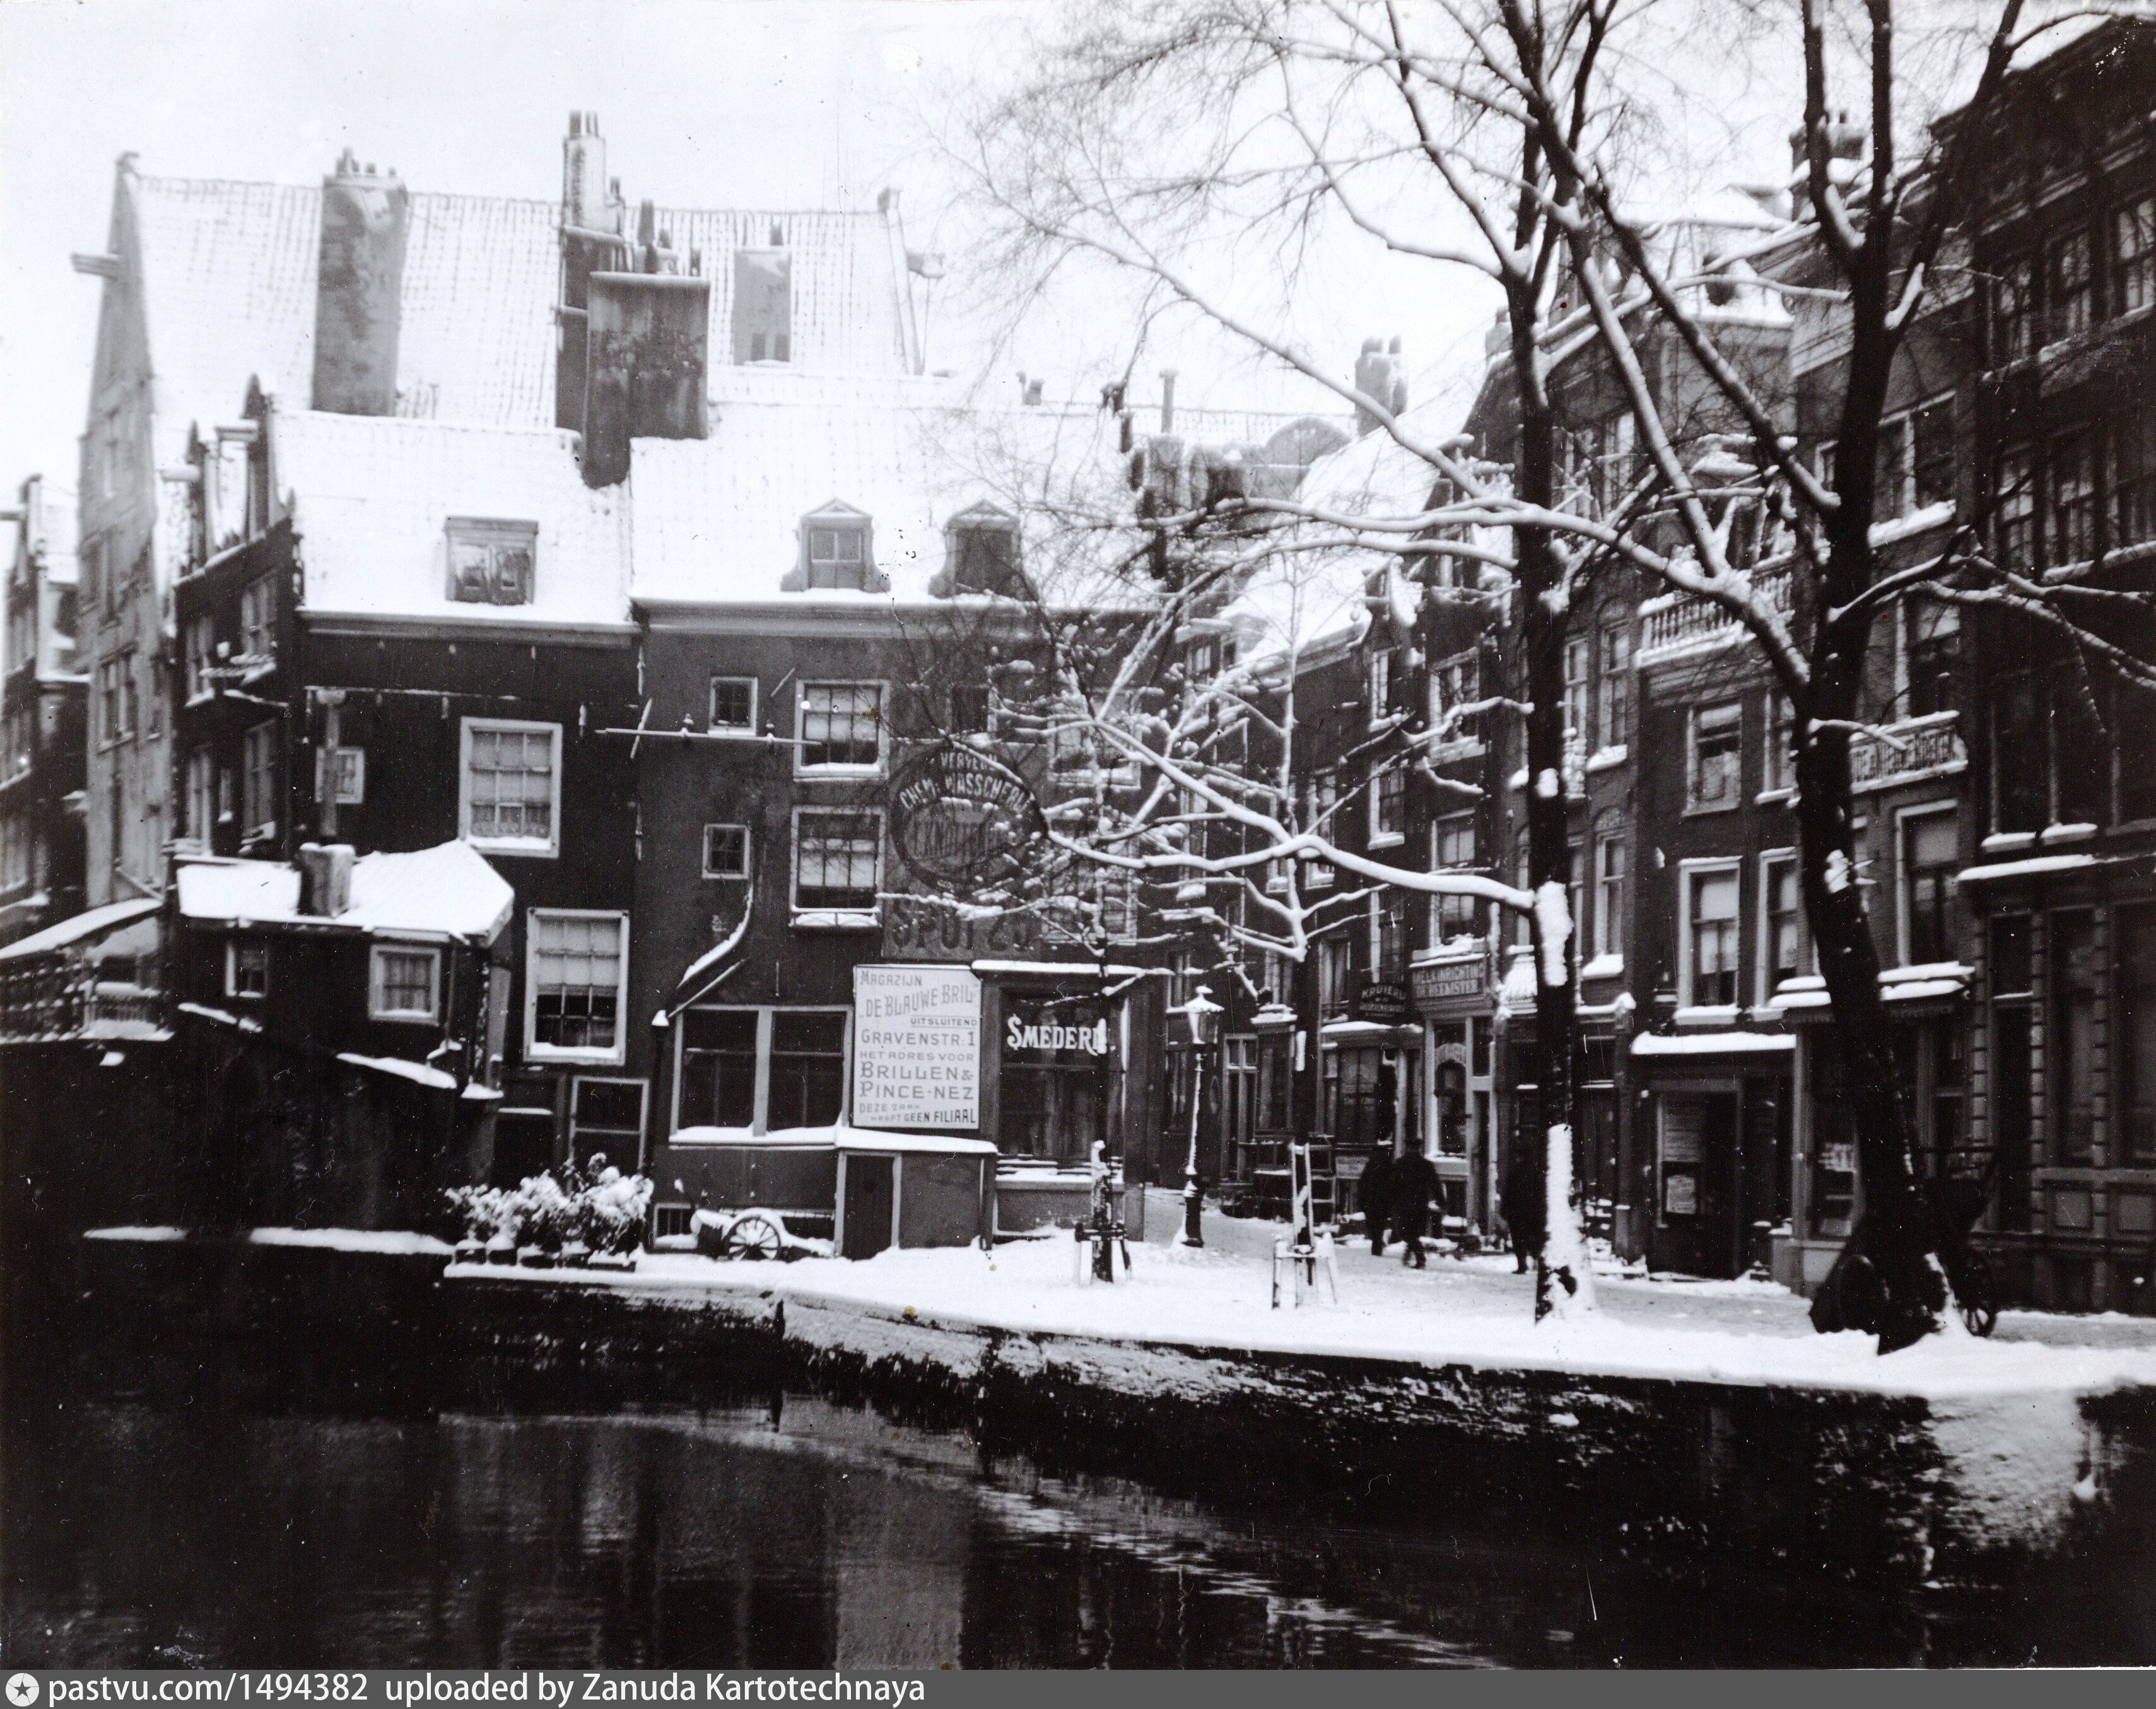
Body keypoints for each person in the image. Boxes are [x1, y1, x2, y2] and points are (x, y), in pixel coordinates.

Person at [1390, 1148, 1439, 1269]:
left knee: (1407, 1233)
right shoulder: (1426, 1164)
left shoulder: (1400, 1164)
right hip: (1420, 1205)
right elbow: (1435, 1184)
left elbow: (1392, 1185)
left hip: (1404, 1204)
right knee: (1414, 1232)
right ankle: (1410, 1253)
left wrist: (1390, 1201)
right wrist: (1441, 1200)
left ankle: (1420, 1258)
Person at [1501, 1149, 1546, 1275]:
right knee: (1535, 1237)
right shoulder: (1536, 1172)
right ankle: (1536, 1261)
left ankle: (1522, 1265)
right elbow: (1541, 1193)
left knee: (1518, 1239)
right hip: (1533, 1212)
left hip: (1516, 1212)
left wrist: (1504, 1210)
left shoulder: (1514, 1172)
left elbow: (1508, 1192)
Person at [1360, 1148, 1397, 1257]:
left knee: (1372, 1225)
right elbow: (1394, 1185)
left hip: (1370, 1203)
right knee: (1380, 1226)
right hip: (1384, 1203)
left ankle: (1376, 1244)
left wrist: (1362, 1202)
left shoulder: (1370, 1166)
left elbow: (1362, 1184)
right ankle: (1377, 1244)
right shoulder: (1390, 1166)